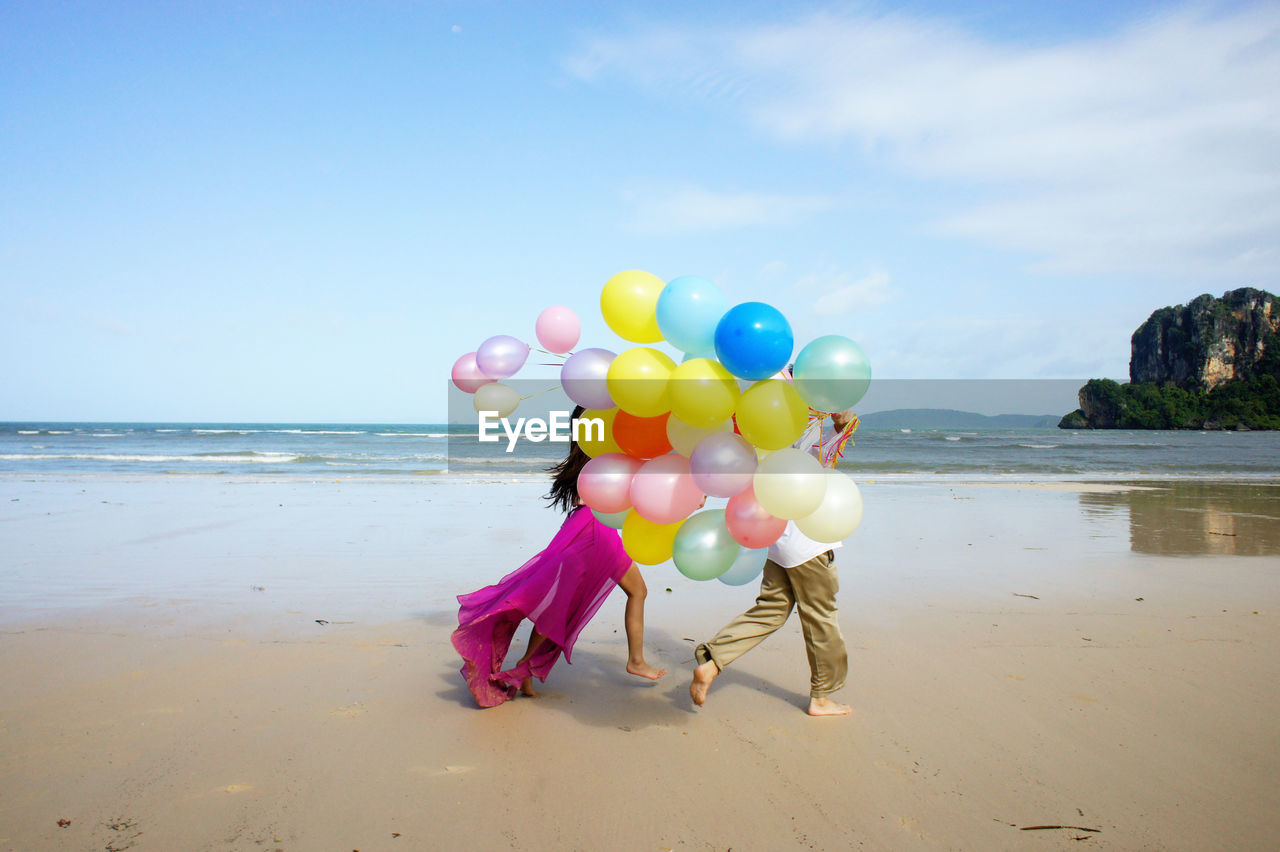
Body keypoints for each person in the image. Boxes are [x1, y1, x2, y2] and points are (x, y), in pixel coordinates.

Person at [451, 405, 667, 708]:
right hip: (596, 530)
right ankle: (635, 660)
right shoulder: (606, 453)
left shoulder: (585, 454)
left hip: (583, 525)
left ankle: (525, 668)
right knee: (634, 591)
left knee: (558, 603)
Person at [689, 409, 857, 716]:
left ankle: (712, 662)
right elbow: (818, 461)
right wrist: (839, 425)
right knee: (821, 616)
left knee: (772, 609)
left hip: (775, 536)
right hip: (807, 540)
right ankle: (822, 696)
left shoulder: (760, 427)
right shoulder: (798, 425)